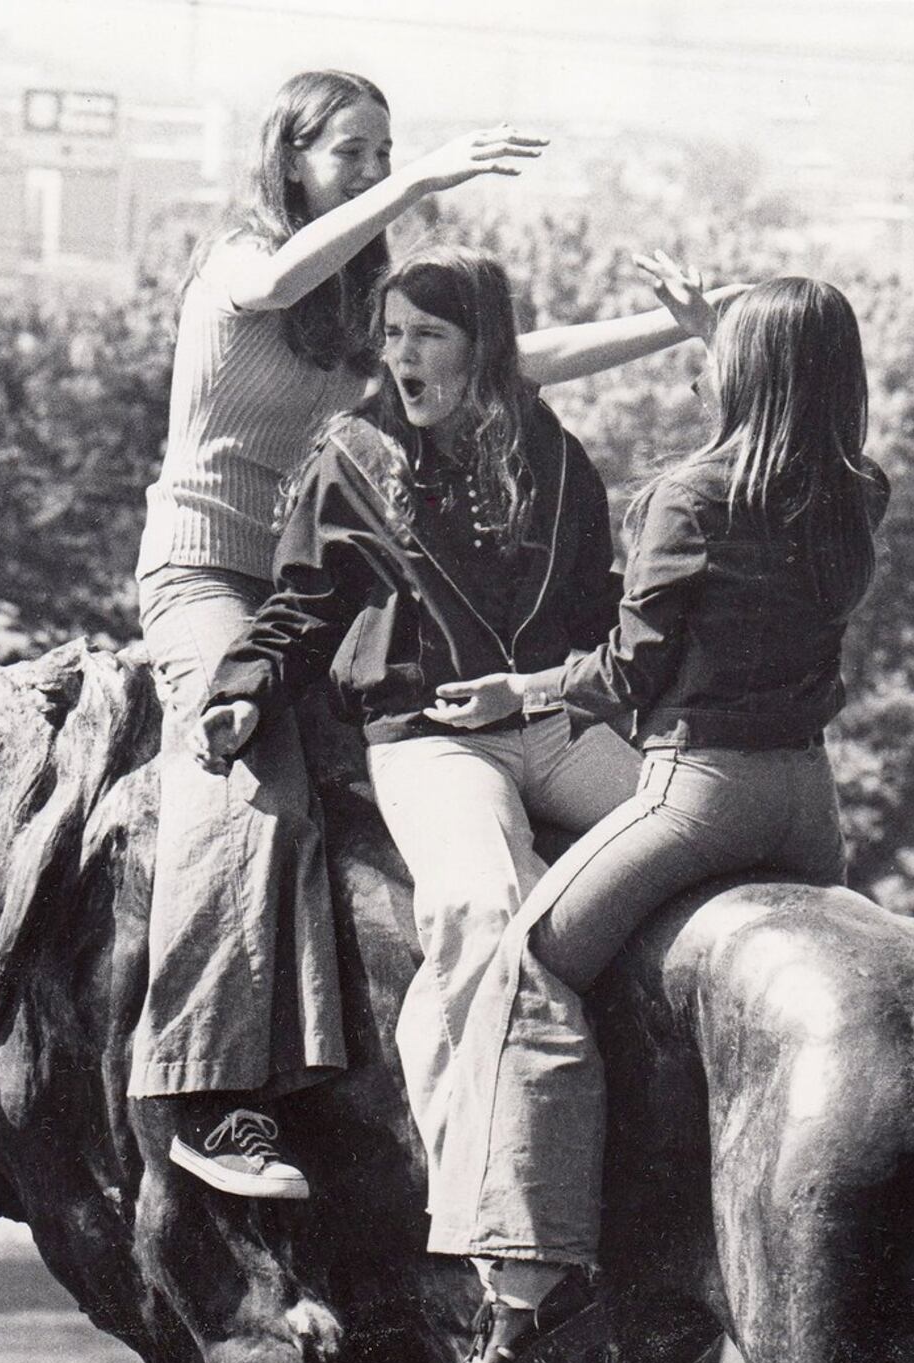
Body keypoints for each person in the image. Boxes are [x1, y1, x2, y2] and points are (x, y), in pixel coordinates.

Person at [133, 66, 729, 1203]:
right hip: (214, 574)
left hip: (317, 583)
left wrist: (669, 327)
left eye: (381, 149)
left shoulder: (352, 314)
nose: (367, 170)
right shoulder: (241, 265)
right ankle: (207, 1094)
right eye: (349, 151)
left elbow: (507, 358)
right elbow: (274, 277)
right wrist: (421, 177)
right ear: (290, 155)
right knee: (245, 781)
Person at [199, 244, 714, 1289]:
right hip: (431, 738)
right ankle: (503, 1230)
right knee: (486, 910)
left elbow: (593, 613)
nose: (398, 357)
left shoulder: (553, 456)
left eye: (424, 336)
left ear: (483, 349)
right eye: (389, 337)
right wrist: (240, 689)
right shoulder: (349, 455)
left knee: (705, 848)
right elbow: (303, 602)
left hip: (545, 720)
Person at [421, 275, 890, 1363]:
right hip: (809, 809)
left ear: (741, 368)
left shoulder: (692, 493)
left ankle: (523, 1300)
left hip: (701, 795)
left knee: (523, 969)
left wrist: (517, 697)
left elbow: (631, 672)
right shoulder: (857, 491)